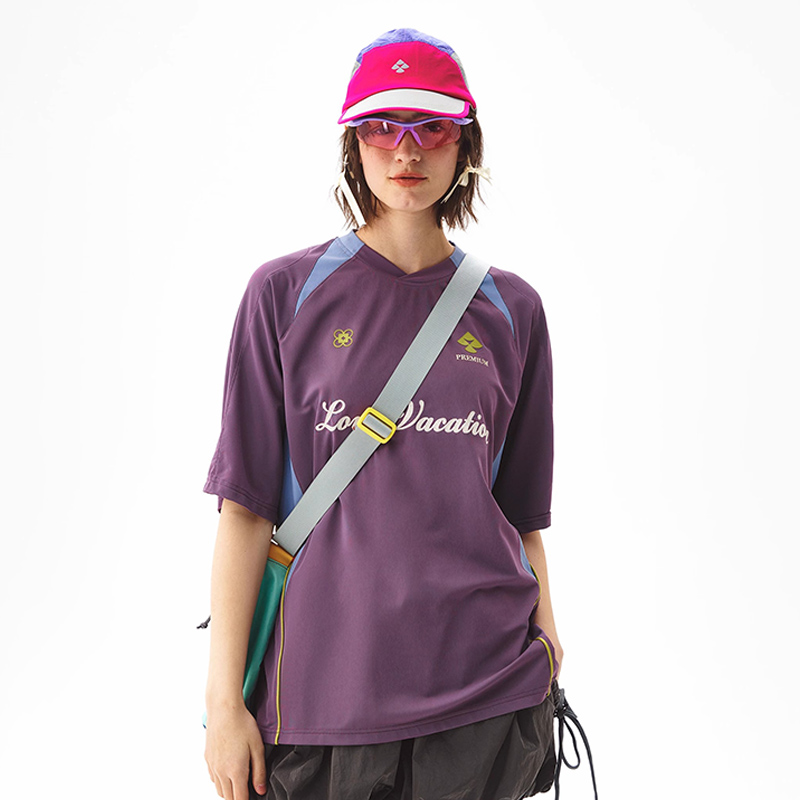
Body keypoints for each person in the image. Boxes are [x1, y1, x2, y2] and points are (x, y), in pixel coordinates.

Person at [202, 28, 563, 800]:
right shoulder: (283, 295)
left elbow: (519, 513)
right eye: (382, 127)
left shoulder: (514, 310)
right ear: (352, 143)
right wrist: (223, 704)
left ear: (465, 143)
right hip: (323, 696)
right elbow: (245, 511)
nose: (407, 150)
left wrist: (549, 636)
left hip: (486, 690)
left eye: (431, 127)